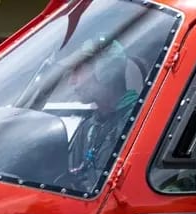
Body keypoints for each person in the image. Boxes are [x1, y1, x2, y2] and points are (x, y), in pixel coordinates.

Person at [60, 39, 139, 193]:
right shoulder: (89, 127)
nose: (71, 81)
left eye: (77, 71)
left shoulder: (139, 122)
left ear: (105, 71)